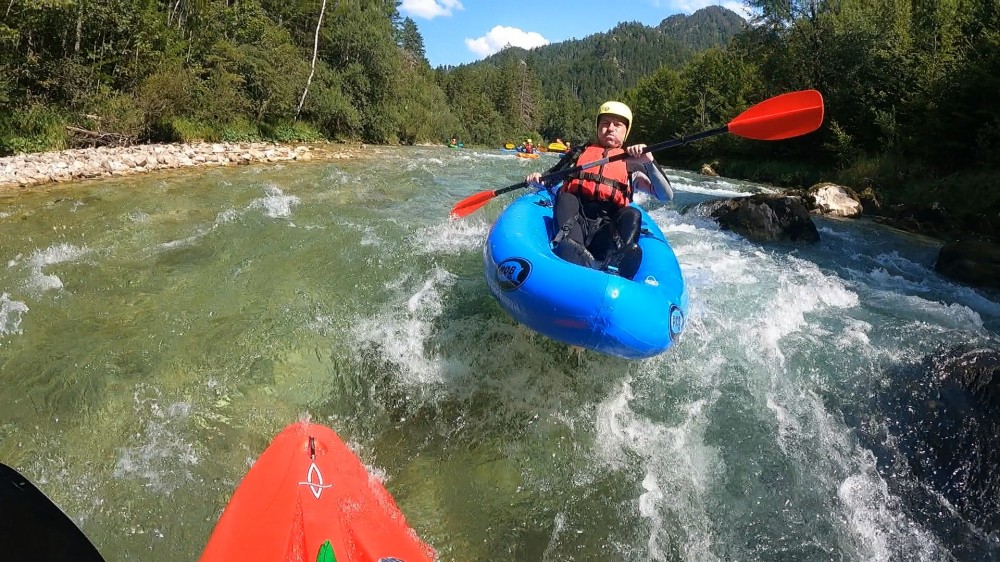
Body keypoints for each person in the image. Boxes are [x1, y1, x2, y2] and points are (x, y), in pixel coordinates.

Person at [526, 101, 673, 279]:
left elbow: (666, 195)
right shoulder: (579, 153)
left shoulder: (633, 164)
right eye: (605, 123)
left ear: (626, 132)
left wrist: (649, 162)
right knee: (565, 197)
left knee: (632, 214)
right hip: (575, 223)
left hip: (606, 232)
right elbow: (551, 178)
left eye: (617, 125)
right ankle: (572, 253)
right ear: (598, 128)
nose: (610, 128)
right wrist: (537, 179)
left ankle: (618, 261)